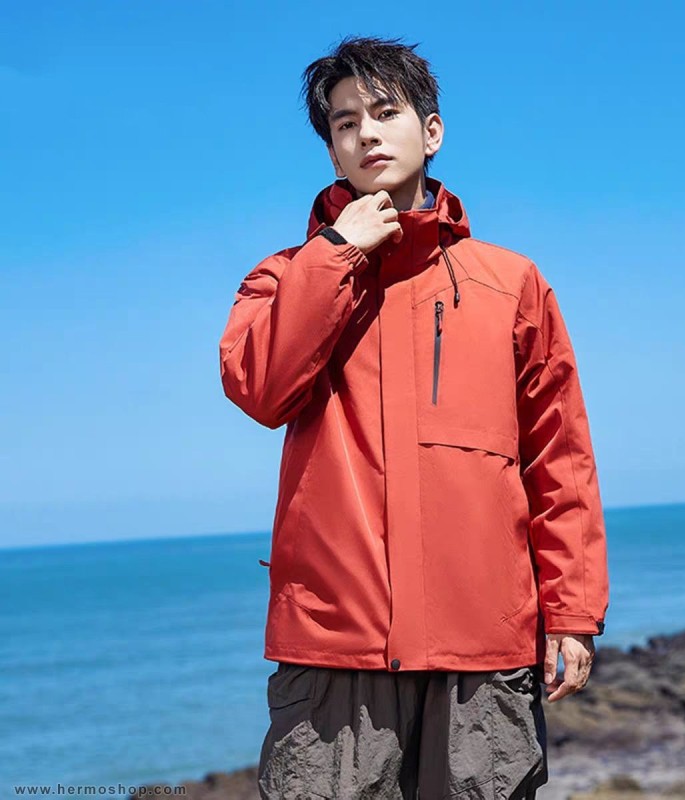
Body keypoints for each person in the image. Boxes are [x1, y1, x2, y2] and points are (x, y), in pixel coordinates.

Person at [219, 34, 609, 800]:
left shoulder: (512, 283)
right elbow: (260, 389)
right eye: (344, 123)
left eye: (385, 113)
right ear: (332, 151)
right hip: (335, 651)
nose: (366, 133)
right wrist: (337, 252)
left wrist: (570, 611)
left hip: (483, 644)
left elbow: (559, 459)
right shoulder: (285, 276)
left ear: (431, 131)